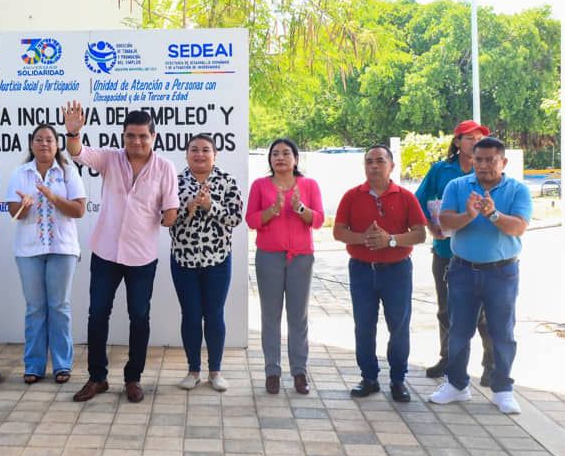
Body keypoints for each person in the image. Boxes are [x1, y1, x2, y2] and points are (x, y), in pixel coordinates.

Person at [63, 101, 179, 403]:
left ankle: (133, 378)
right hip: (105, 252)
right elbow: (79, 153)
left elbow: (171, 213)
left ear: (153, 136)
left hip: (142, 257)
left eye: (143, 136)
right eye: (130, 136)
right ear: (123, 137)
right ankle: (97, 378)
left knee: (139, 317)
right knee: (97, 314)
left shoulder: (165, 167)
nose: (136, 142)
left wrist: (168, 214)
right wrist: (73, 133)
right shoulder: (110, 159)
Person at [429, 137, 532, 415]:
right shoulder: (458, 186)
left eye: (490, 160)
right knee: (459, 329)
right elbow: (445, 221)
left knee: (502, 332)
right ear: (471, 160)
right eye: (479, 159)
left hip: (502, 273)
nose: (484, 165)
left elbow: (518, 227)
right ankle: (457, 385)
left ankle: (502, 389)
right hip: (462, 269)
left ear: (503, 162)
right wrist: (470, 214)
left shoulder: (517, 190)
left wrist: (493, 214)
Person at [333, 145, 426, 402]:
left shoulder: (405, 197)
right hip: (362, 270)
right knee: (364, 326)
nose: (374, 166)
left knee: (398, 326)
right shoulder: (352, 196)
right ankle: (369, 377)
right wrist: (363, 238)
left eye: (380, 161)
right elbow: (339, 231)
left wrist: (391, 241)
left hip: (397, 271)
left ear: (392, 166)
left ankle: (398, 379)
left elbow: (419, 233)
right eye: (369, 161)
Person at [5, 124, 87, 384]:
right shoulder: (20, 173)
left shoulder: (68, 172)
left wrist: (52, 197)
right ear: (31, 144)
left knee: (59, 307)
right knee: (35, 308)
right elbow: (13, 212)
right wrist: (25, 206)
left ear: (57, 145)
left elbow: (79, 210)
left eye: (49, 140)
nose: (44, 144)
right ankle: (34, 365)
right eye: (39, 140)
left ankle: (62, 364)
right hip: (29, 251)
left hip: (62, 249)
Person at [415, 120, 494, 384]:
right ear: (457, 141)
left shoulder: (489, 171)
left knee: (484, 313)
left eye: (479, 138)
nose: (475, 142)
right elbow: (418, 200)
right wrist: (430, 224)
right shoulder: (440, 170)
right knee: (446, 309)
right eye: (469, 138)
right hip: (445, 251)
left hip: (480, 253)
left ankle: (490, 364)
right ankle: (448, 357)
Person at [246, 138, 324, 395]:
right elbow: (252, 220)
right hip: (269, 257)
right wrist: (274, 209)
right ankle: (272, 372)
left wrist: (299, 208)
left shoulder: (309, 184)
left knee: (297, 316)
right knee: (270, 316)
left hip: (301, 258)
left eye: (286, 153)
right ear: (269, 159)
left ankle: (299, 372)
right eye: (275, 153)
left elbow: (318, 220)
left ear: (296, 159)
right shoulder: (259, 185)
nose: (280, 157)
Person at [170, 134, 243, 392]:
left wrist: (211, 206)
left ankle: (215, 371)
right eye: (194, 150)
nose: (199, 154)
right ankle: (193, 370)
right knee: (190, 316)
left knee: (214, 315)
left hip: (218, 260)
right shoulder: (175, 181)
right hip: (183, 260)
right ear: (187, 153)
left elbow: (236, 218)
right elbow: (164, 218)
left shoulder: (226, 181)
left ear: (215, 154)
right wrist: (187, 207)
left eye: (205, 150)